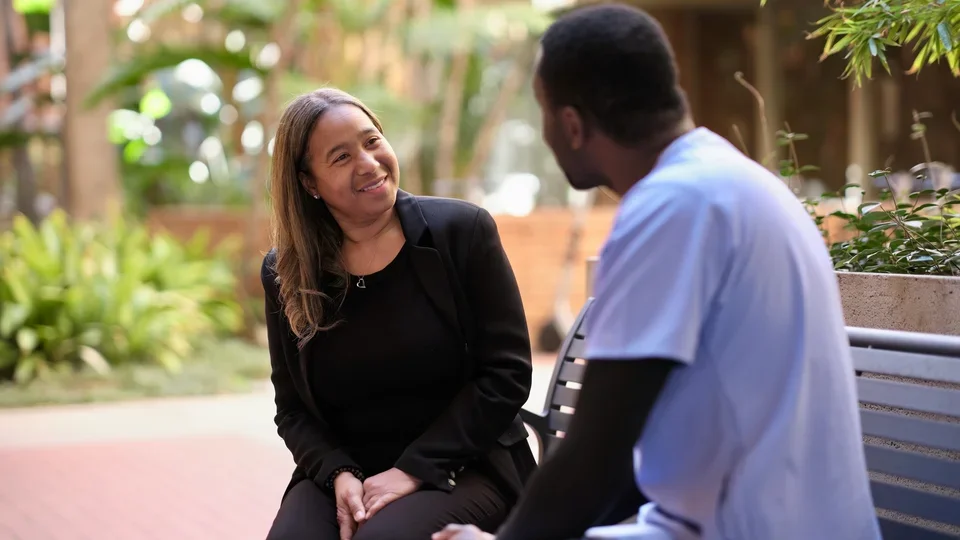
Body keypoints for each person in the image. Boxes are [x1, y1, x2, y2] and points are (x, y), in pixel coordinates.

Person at [434, 4, 881, 540]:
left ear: (572, 124)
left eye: (544, 112)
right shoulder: (731, 181)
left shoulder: (672, 208)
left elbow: (599, 452)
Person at [261, 87, 537, 540]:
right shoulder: (284, 272)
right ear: (309, 183)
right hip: (345, 473)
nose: (368, 163)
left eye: (372, 142)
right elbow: (292, 410)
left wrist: (413, 469)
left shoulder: (463, 232)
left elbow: (505, 374)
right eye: (341, 157)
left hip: (465, 465)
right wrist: (338, 475)